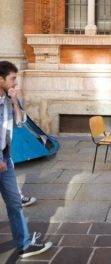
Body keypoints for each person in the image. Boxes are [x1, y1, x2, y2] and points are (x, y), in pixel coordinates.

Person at [0, 61, 52, 258]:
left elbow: (21, 122)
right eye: (12, 79)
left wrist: (14, 101)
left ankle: (24, 244)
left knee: (14, 203)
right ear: (1, 79)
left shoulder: (7, 98)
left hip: (6, 158)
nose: (15, 82)